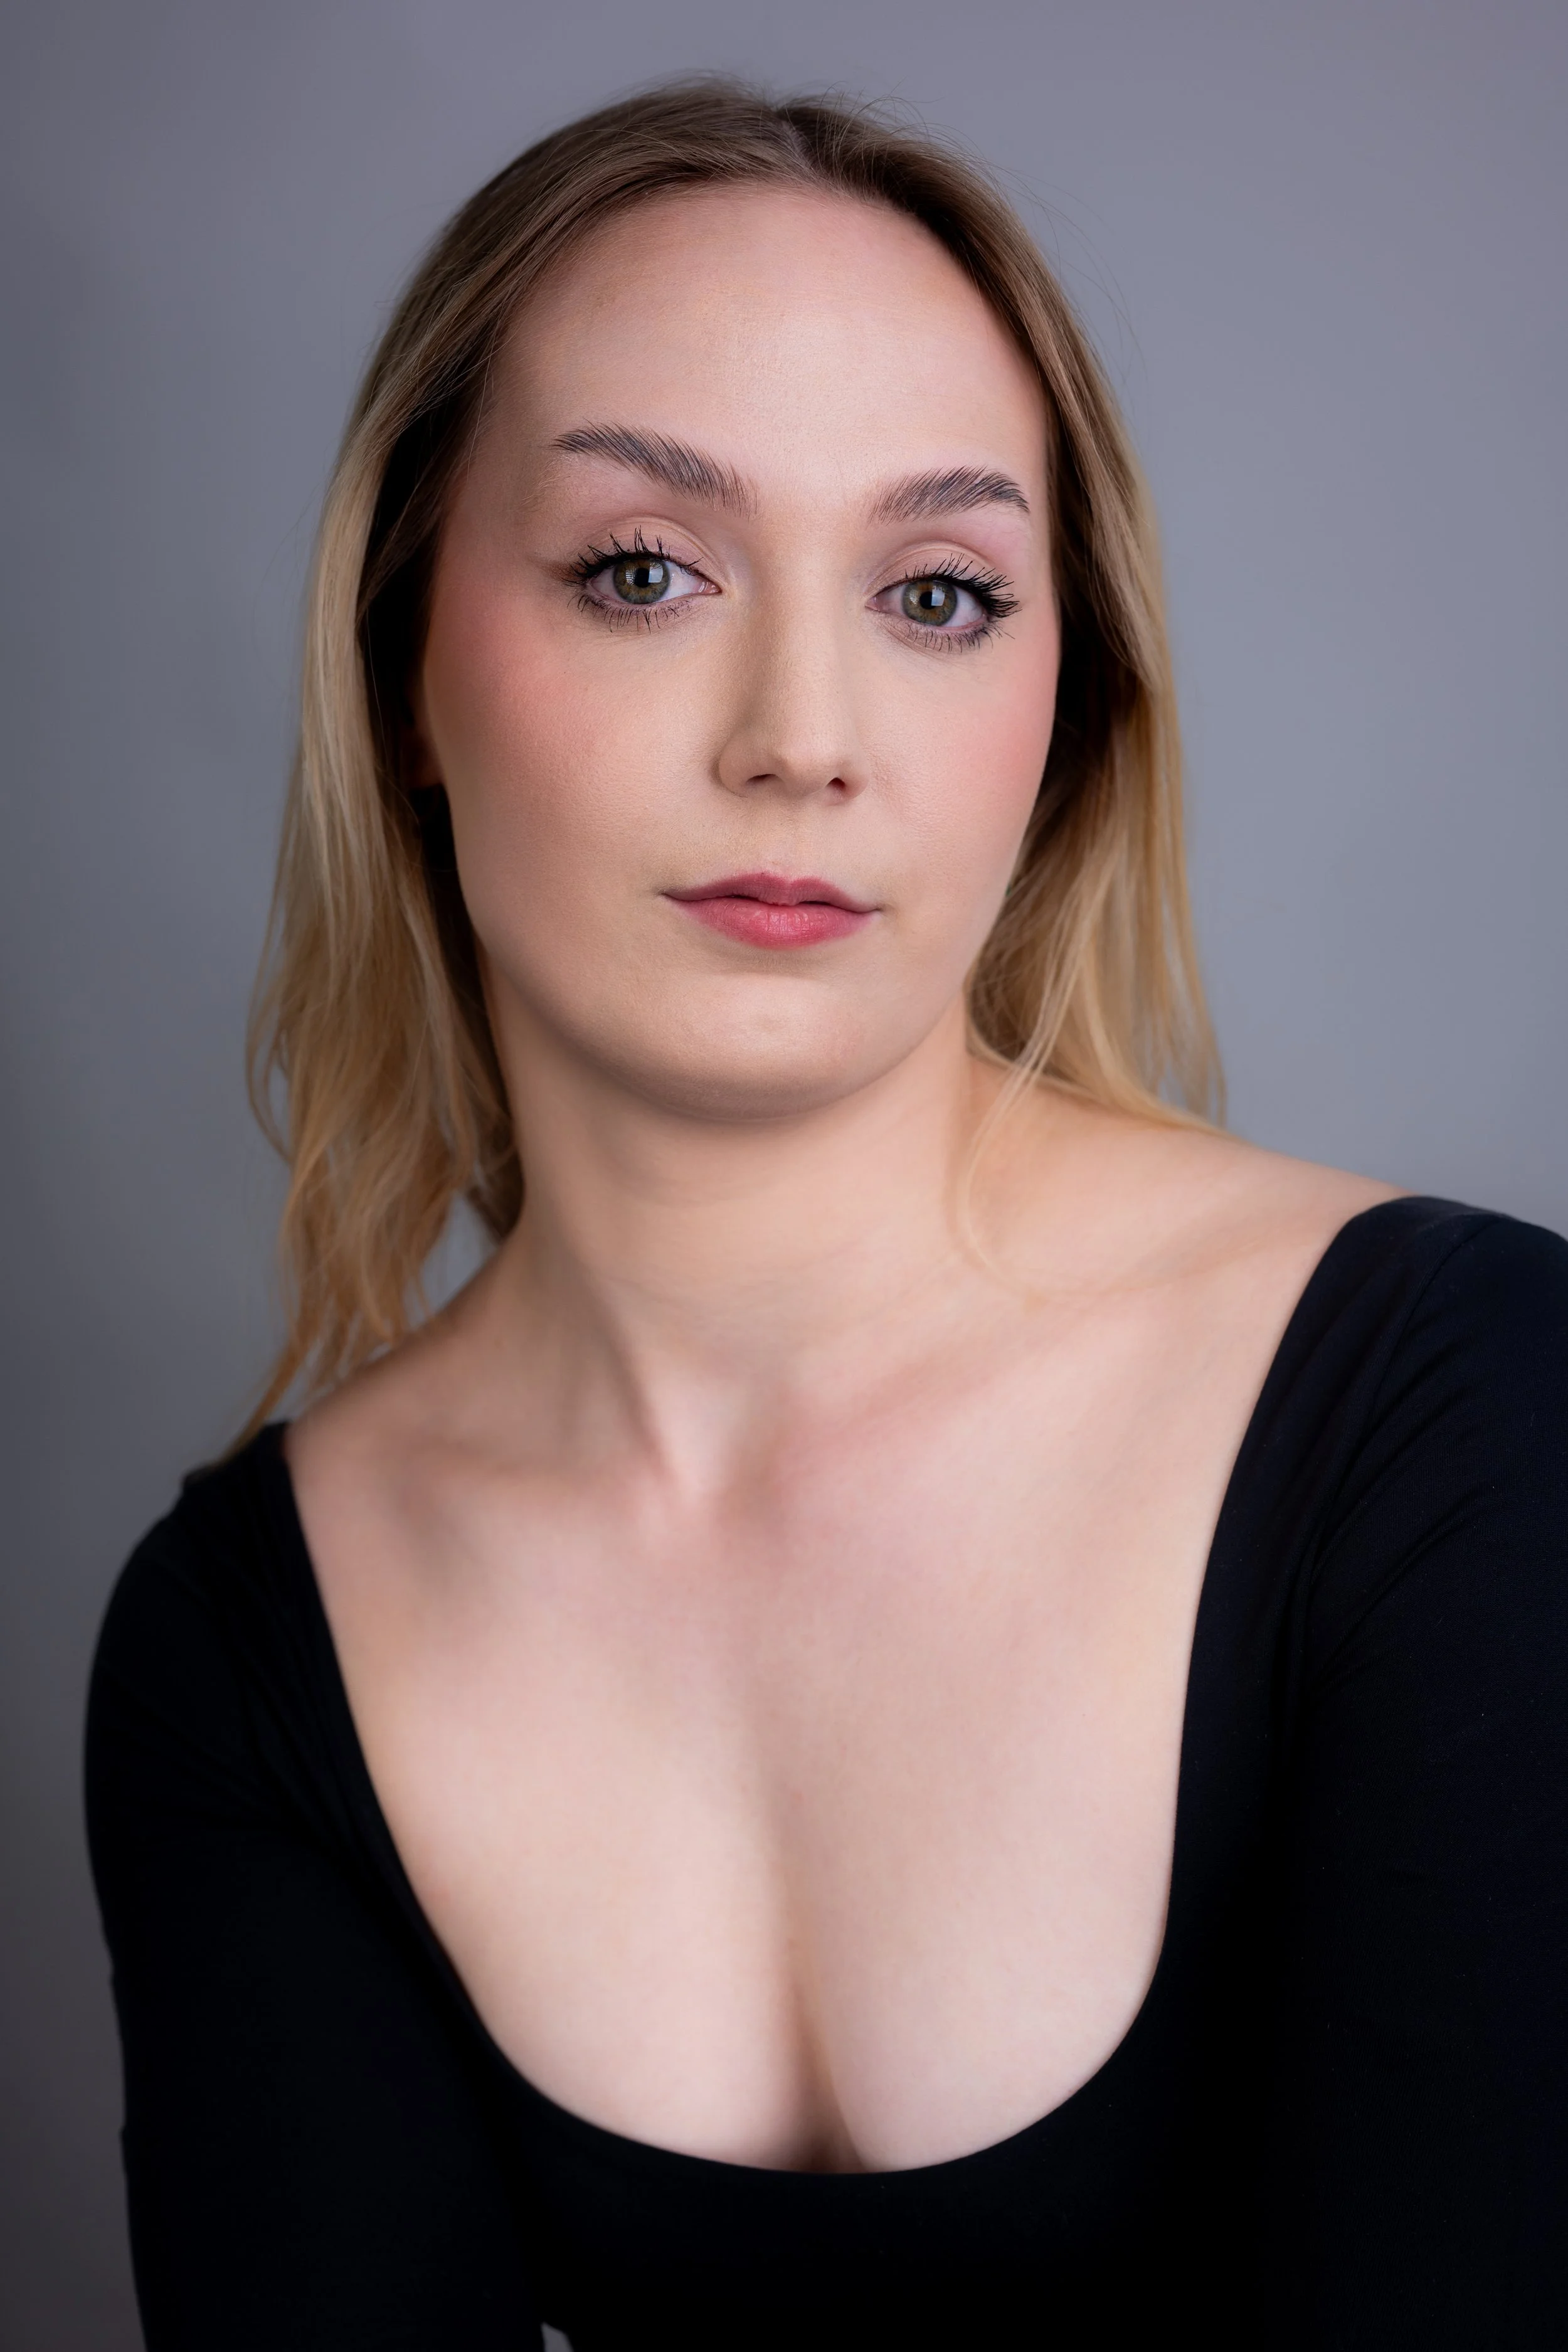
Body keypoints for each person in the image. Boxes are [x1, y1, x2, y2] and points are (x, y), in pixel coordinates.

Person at [84, 78, 1567, 2351]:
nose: (803, 733)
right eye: (642, 569)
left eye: (941, 592)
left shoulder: (1466, 1411)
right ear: (401, 666)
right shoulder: (244, 1644)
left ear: (1059, 711)